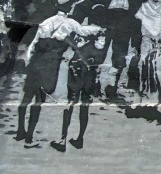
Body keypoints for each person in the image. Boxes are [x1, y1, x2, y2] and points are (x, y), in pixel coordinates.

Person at [16, 10, 103, 148]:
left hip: (36, 64)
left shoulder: (47, 22)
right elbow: (83, 32)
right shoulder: (70, 24)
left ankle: (21, 131)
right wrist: (98, 29)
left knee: (26, 98)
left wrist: (29, 61)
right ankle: (29, 138)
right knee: (38, 101)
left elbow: (34, 44)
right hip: (49, 68)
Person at [50, 33, 106, 152]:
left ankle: (62, 140)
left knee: (70, 106)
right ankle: (80, 139)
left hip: (76, 78)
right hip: (89, 80)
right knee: (84, 108)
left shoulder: (82, 45)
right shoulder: (97, 47)